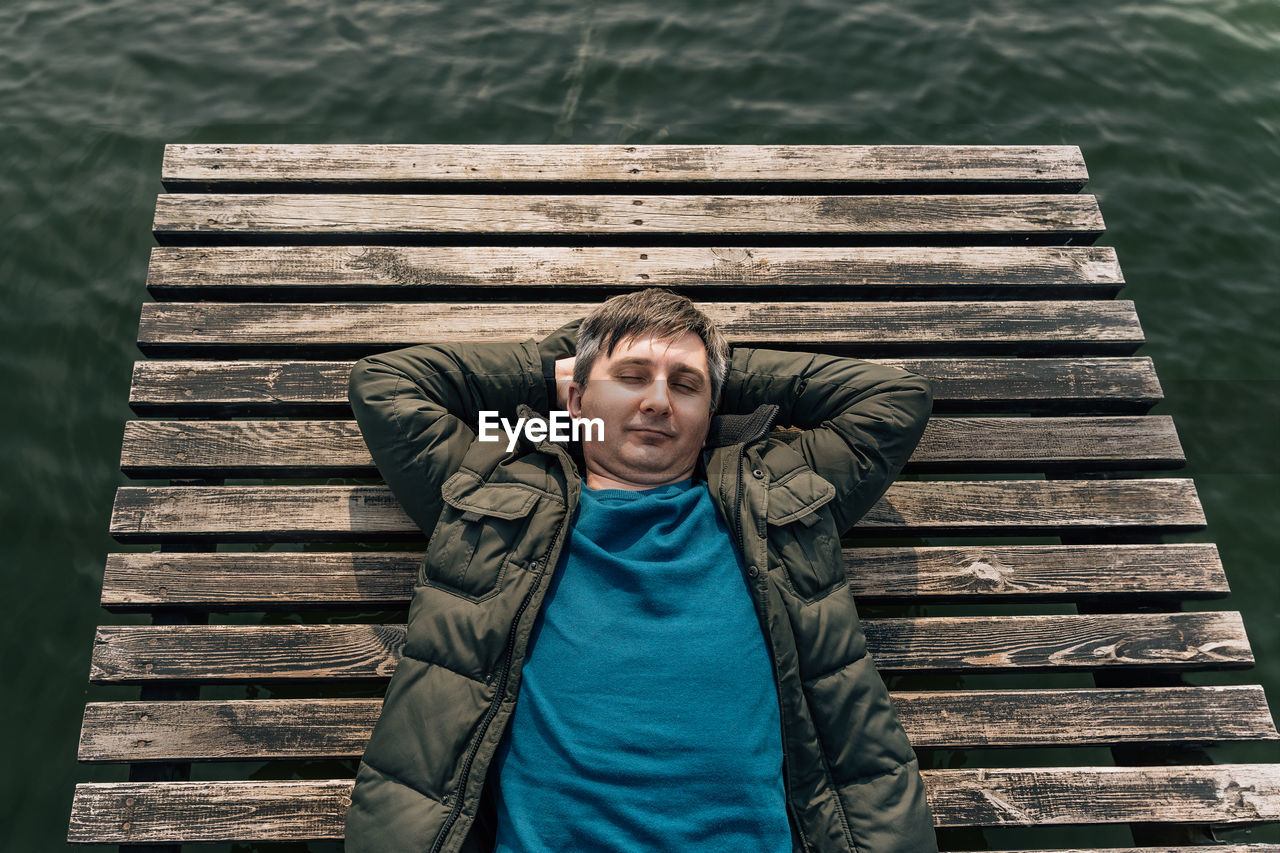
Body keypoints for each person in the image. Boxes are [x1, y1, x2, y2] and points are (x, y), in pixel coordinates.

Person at [343, 287, 938, 853]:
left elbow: (892, 400)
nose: (657, 401)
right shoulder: (494, 497)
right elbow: (387, 384)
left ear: (712, 414)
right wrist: (572, 360)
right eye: (629, 379)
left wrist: (716, 369)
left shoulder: (776, 497)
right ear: (574, 399)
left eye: (686, 387)